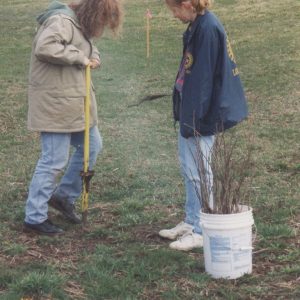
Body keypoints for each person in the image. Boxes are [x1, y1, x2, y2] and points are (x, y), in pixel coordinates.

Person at [24, 0, 123, 235]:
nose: (101, 27)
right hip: (56, 104)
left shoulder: (79, 24)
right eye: (102, 21)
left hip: (76, 103)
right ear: (93, 13)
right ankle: (34, 217)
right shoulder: (61, 21)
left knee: (93, 146)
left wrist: (94, 56)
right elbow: (45, 47)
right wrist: (80, 57)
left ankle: (63, 197)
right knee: (53, 160)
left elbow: (85, 47)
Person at [159, 0, 248, 251]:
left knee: (200, 171)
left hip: (201, 115)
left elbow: (204, 80)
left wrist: (193, 120)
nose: (174, 15)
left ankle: (201, 229)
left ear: (187, 4)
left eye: (174, 9)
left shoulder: (207, 28)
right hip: (191, 111)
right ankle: (191, 219)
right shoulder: (198, 24)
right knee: (190, 169)